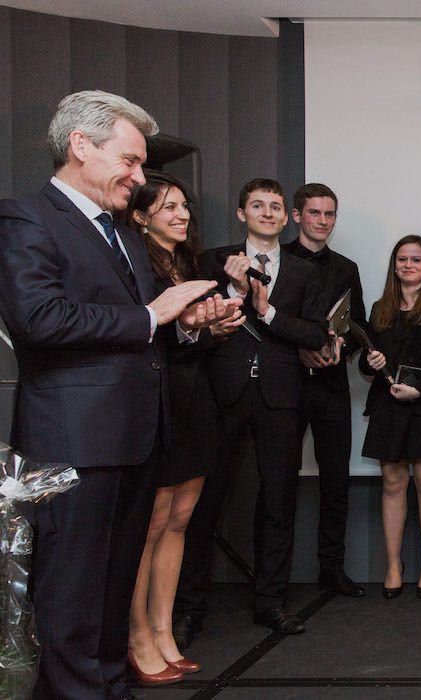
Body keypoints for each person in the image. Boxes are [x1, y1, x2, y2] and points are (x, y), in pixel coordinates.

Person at [0, 90, 226, 699]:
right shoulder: (26, 219)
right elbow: (39, 320)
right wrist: (155, 316)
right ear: (80, 146)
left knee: (111, 589)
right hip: (74, 442)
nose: (137, 175)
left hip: (133, 439)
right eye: (128, 160)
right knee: (71, 593)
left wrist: (186, 324)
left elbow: (140, 330)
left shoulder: (121, 234)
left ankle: (109, 688)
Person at [175, 178, 328, 639]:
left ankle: (272, 601)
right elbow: (194, 321)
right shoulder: (211, 262)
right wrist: (236, 290)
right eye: (257, 205)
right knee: (203, 504)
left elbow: (316, 335)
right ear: (241, 213)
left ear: (286, 218)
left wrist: (266, 312)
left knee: (279, 502)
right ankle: (187, 608)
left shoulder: (306, 273)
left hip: (281, 398)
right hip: (221, 394)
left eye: (275, 207)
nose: (267, 212)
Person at [121, 174, 244, 686]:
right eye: (167, 206)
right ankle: (137, 637)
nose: (181, 214)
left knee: (179, 522)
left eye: (184, 206)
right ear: (140, 216)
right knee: (147, 529)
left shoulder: (190, 265)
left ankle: (164, 630)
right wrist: (191, 327)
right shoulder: (134, 264)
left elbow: (188, 340)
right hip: (156, 405)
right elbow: (145, 337)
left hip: (196, 403)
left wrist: (210, 326)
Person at [360, 235, 421, 600]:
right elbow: (364, 361)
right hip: (388, 403)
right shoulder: (379, 307)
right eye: (402, 259)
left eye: (416, 259)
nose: (408, 265)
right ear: (394, 265)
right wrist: (369, 362)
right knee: (392, 483)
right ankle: (393, 565)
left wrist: (420, 389)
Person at [283, 183, 368, 597]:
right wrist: (300, 350)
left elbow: (357, 325)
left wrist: (340, 349)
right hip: (287, 386)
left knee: (337, 481)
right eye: (315, 213)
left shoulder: (346, 267)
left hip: (333, 384)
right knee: (279, 482)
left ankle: (331, 569)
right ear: (297, 215)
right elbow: (265, 322)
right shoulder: (276, 259)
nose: (323, 221)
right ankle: (274, 580)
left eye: (329, 214)